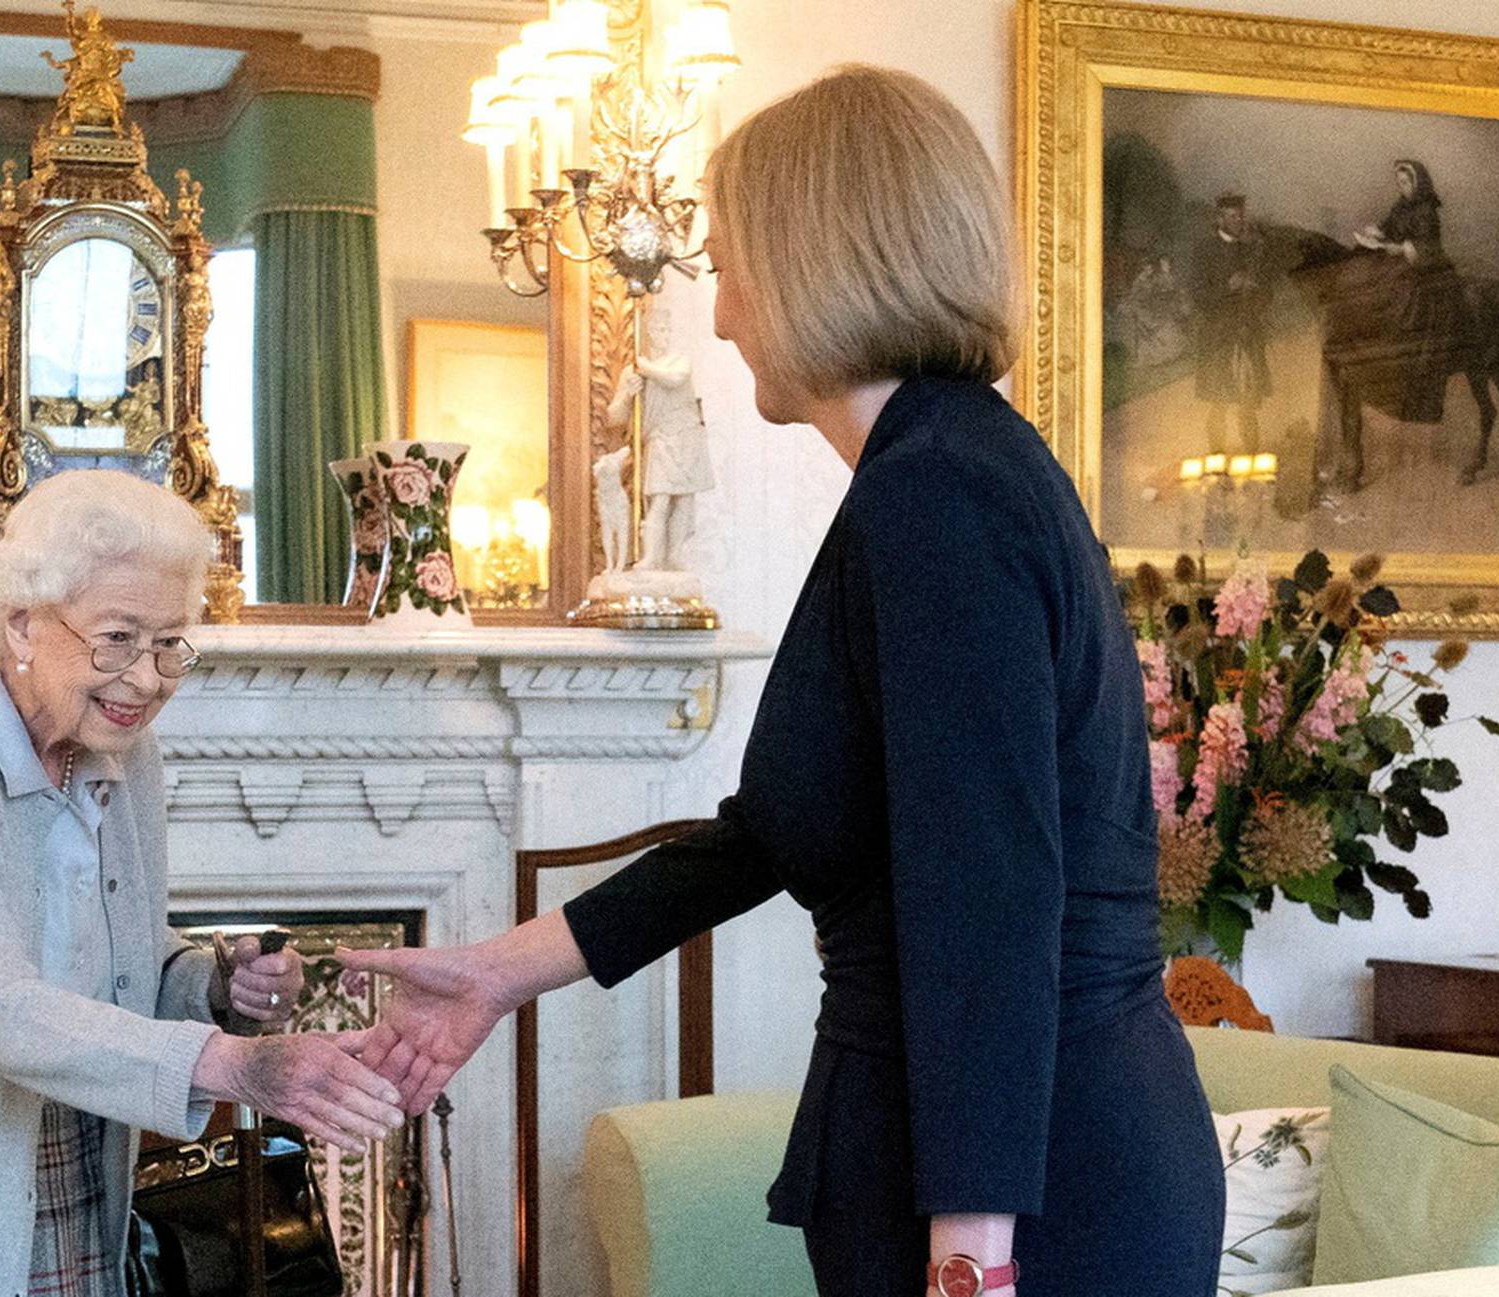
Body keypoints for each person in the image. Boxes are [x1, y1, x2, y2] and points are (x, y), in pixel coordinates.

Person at [344, 65, 1225, 1297]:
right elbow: (780, 831)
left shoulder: (938, 493)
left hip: (1029, 1193)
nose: (720, 315)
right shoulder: (938, 470)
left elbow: (989, 887)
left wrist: (970, 1259)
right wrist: (503, 969)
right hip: (999, 1159)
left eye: (732, 264)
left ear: (823, 257)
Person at [0, 470, 404, 1297]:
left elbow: (119, 956)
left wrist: (214, 984)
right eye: (118, 638)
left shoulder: (121, 750)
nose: (146, 678)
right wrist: (237, 1064)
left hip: (73, 1166)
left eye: (170, 643)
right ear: (22, 622)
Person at [605, 306, 716, 571]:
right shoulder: (633, 371)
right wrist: (628, 395)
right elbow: (614, 417)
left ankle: (674, 554)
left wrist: (646, 369)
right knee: (660, 498)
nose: (662, 335)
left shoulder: (677, 362)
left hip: (686, 435)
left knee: (684, 500)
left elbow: (676, 379)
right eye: (656, 330)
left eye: (666, 330)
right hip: (661, 439)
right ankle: (653, 557)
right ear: (648, 334)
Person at [1354, 158, 1463, 424]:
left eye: (1406, 182)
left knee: (1409, 303)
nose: (1402, 187)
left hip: (1427, 271)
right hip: (1402, 266)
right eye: (1399, 183)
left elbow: (1428, 247)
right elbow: (1388, 226)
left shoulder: (1426, 209)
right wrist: (1375, 234)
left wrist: (1401, 249)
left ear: (1417, 183)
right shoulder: (1401, 206)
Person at [1191, 194, 1273, 453]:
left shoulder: (1251, 250)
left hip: (1247, 334)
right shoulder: (1204, 251)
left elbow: (1267, 294)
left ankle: (1252, 456)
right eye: (1232, 216)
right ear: (1220, 219)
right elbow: (1199, 296)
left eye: (1241, 215)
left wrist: (1257, 290)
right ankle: (1217, 458)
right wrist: (1229, 286)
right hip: (1217, 338)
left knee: (1248, 402)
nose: (1239, 221)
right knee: (1219, 402)